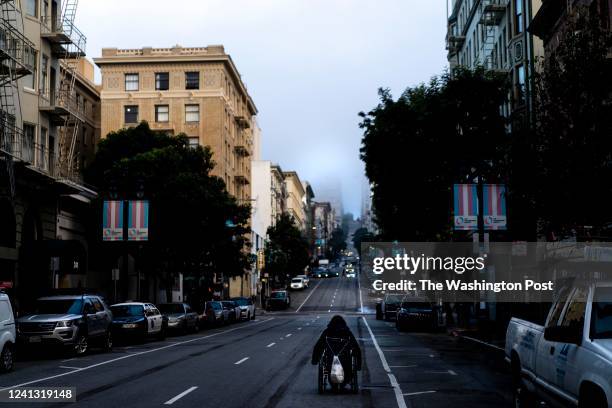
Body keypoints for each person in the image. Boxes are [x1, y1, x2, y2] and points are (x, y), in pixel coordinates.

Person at [311, 315, 362, 386]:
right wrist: (358, 365)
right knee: (349, 360)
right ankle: (345, 380)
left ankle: (333, 380)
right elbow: (356, 347)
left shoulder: (327, 332)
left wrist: (315, 360)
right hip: (346, 361)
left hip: (330, 361)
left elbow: (319, 346)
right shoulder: (347, 332)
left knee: (326, 364)